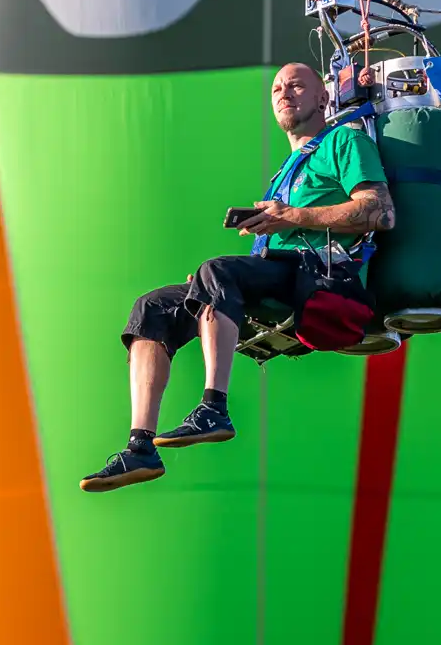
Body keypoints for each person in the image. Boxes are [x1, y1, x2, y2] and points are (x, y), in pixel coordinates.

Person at [80, 62, 394, 492]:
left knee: (216, 270)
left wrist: (295, 216)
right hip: (274, 273)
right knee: (152, 306)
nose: (285, 93)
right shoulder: (287, 169)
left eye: (297, 85)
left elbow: (381, 212)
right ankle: (140, 446)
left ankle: (214, 407)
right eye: (278, 88)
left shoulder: (344, 141)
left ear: (324, 98)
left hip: (316, 274)